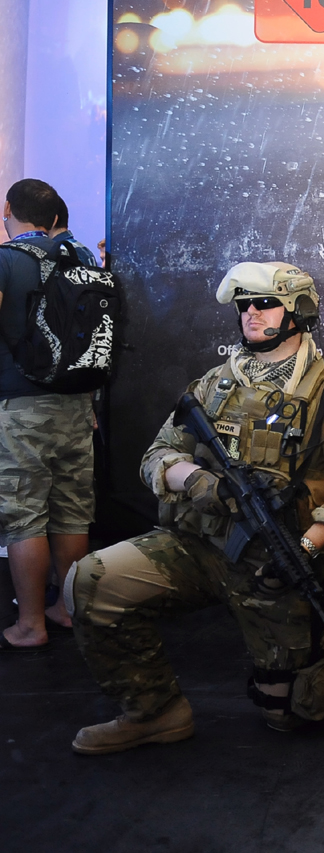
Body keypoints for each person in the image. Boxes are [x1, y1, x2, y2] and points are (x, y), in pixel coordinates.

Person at [68, 261, 324, 753]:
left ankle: (314, 643)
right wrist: (195, 480)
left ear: (297, 310)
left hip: (272, 564)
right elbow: (155, 456)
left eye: (265, 303)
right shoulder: (214, 383)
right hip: (196, 546)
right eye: (245, 305)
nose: (251, 313)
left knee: (288, 713)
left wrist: (304, 548)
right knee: (90, 580)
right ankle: (154, 711)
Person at [0, 179, 94, 650]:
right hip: (77, 403)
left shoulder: (6, 260)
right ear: (54, 216)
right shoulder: (82, 257)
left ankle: (30, 625)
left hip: (20, 405)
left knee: (25, 517)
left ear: (7, 211)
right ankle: (68, 610)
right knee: (71, 512)